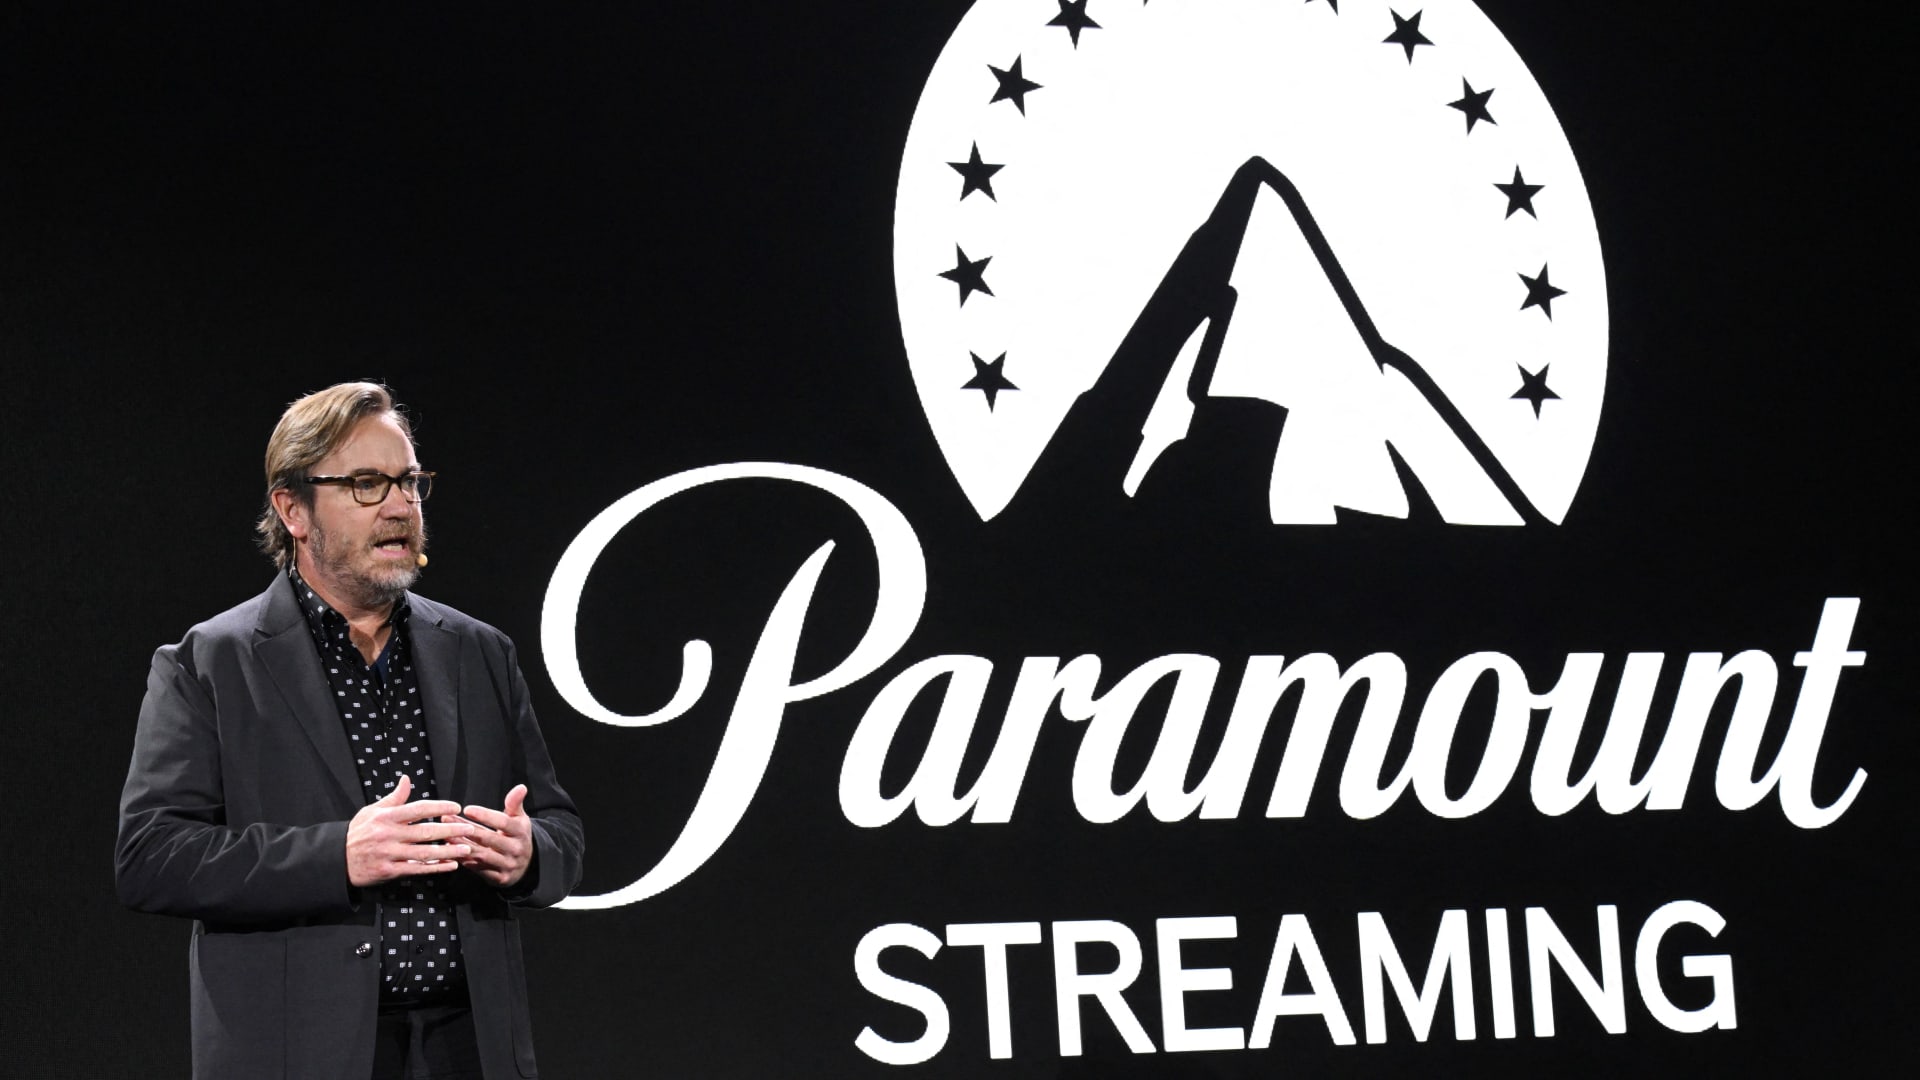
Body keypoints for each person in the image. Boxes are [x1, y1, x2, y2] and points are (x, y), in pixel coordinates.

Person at [117, 382, 585, 1080]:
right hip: (297, 1052)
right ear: (293, 509)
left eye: (410, 482)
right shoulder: (209, 663)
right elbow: (151, 857)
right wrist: (338, 855)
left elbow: (561, 831)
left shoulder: (480, 651)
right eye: (367, 484)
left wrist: (528, 854)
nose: (400, 506)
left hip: (470, 1049)